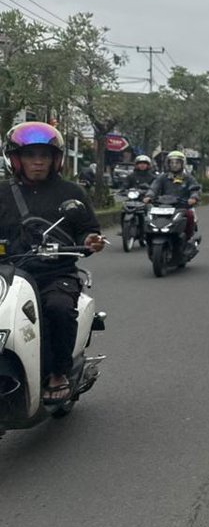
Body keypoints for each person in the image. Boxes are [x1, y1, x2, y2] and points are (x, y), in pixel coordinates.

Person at [0, 122, 105, 403]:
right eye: (30, 155)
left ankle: (58, 372)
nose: (37, 161)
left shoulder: (71, 193)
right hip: (7, 274)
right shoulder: (2, 193)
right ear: (15, 159)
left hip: (54, 273)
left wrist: (91, 239)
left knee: (57, 309)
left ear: (54, 160)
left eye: (44, 155)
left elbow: (87, 230)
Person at [146, 150, 202, 244]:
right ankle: (149, 238)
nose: (174, 165)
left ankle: (188, 239)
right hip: (164, 206)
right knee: (149, 217)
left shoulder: (188, 178)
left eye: (177, 162)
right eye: (172, 162)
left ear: (182, 164)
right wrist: (149, 196)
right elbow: (154, 187)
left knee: (190, 215)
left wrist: (193, 198)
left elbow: (195, 189)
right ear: (168, 164)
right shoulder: (162, 177)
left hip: (182, 206)